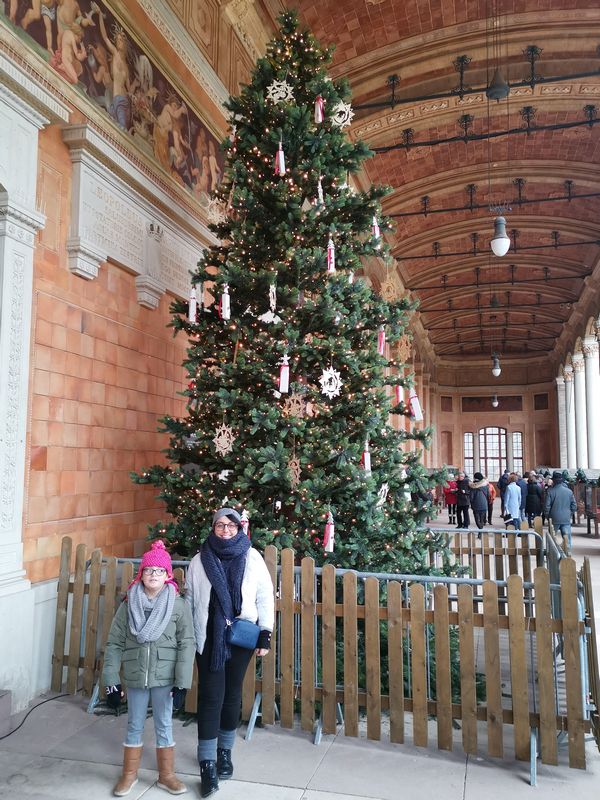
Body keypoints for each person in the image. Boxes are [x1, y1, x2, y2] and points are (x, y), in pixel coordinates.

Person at [186, 508, 275, 798]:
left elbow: (264, 596)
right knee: (211, 696)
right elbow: (190, 599)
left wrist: (265, 633)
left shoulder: (252, 558)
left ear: (239, 528)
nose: (225, 530)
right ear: (213, 528)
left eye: (231, 526)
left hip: (240, 636)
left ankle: (225, 752)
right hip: (208, 636)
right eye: (220, 525)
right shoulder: (200, 560)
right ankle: (207, 761)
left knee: (232, 694)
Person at [102, 540, 195, 797]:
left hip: (164, 676)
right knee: (134, 723)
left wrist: (182, 682)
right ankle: (129, 774)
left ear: (167, 576)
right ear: (141, 574)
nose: (153, 575)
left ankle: (167, 775)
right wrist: (111, 680)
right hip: (135, 674)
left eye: (159, 571)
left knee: (164, 723)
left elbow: (187, 643)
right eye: (148, 570)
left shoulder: (177, 605)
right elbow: (114, 643)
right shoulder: (127, 605)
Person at [544, 471, 577, 554]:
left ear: (553, 481)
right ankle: (567, 555)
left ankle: (552, 554)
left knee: (552, 538)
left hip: (554, 518)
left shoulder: (550, 491)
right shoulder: (569, 492)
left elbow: (547, 506)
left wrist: (548, 516)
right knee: (567, 538)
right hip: (566, 518)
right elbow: (574, 506)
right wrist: (569, 514)